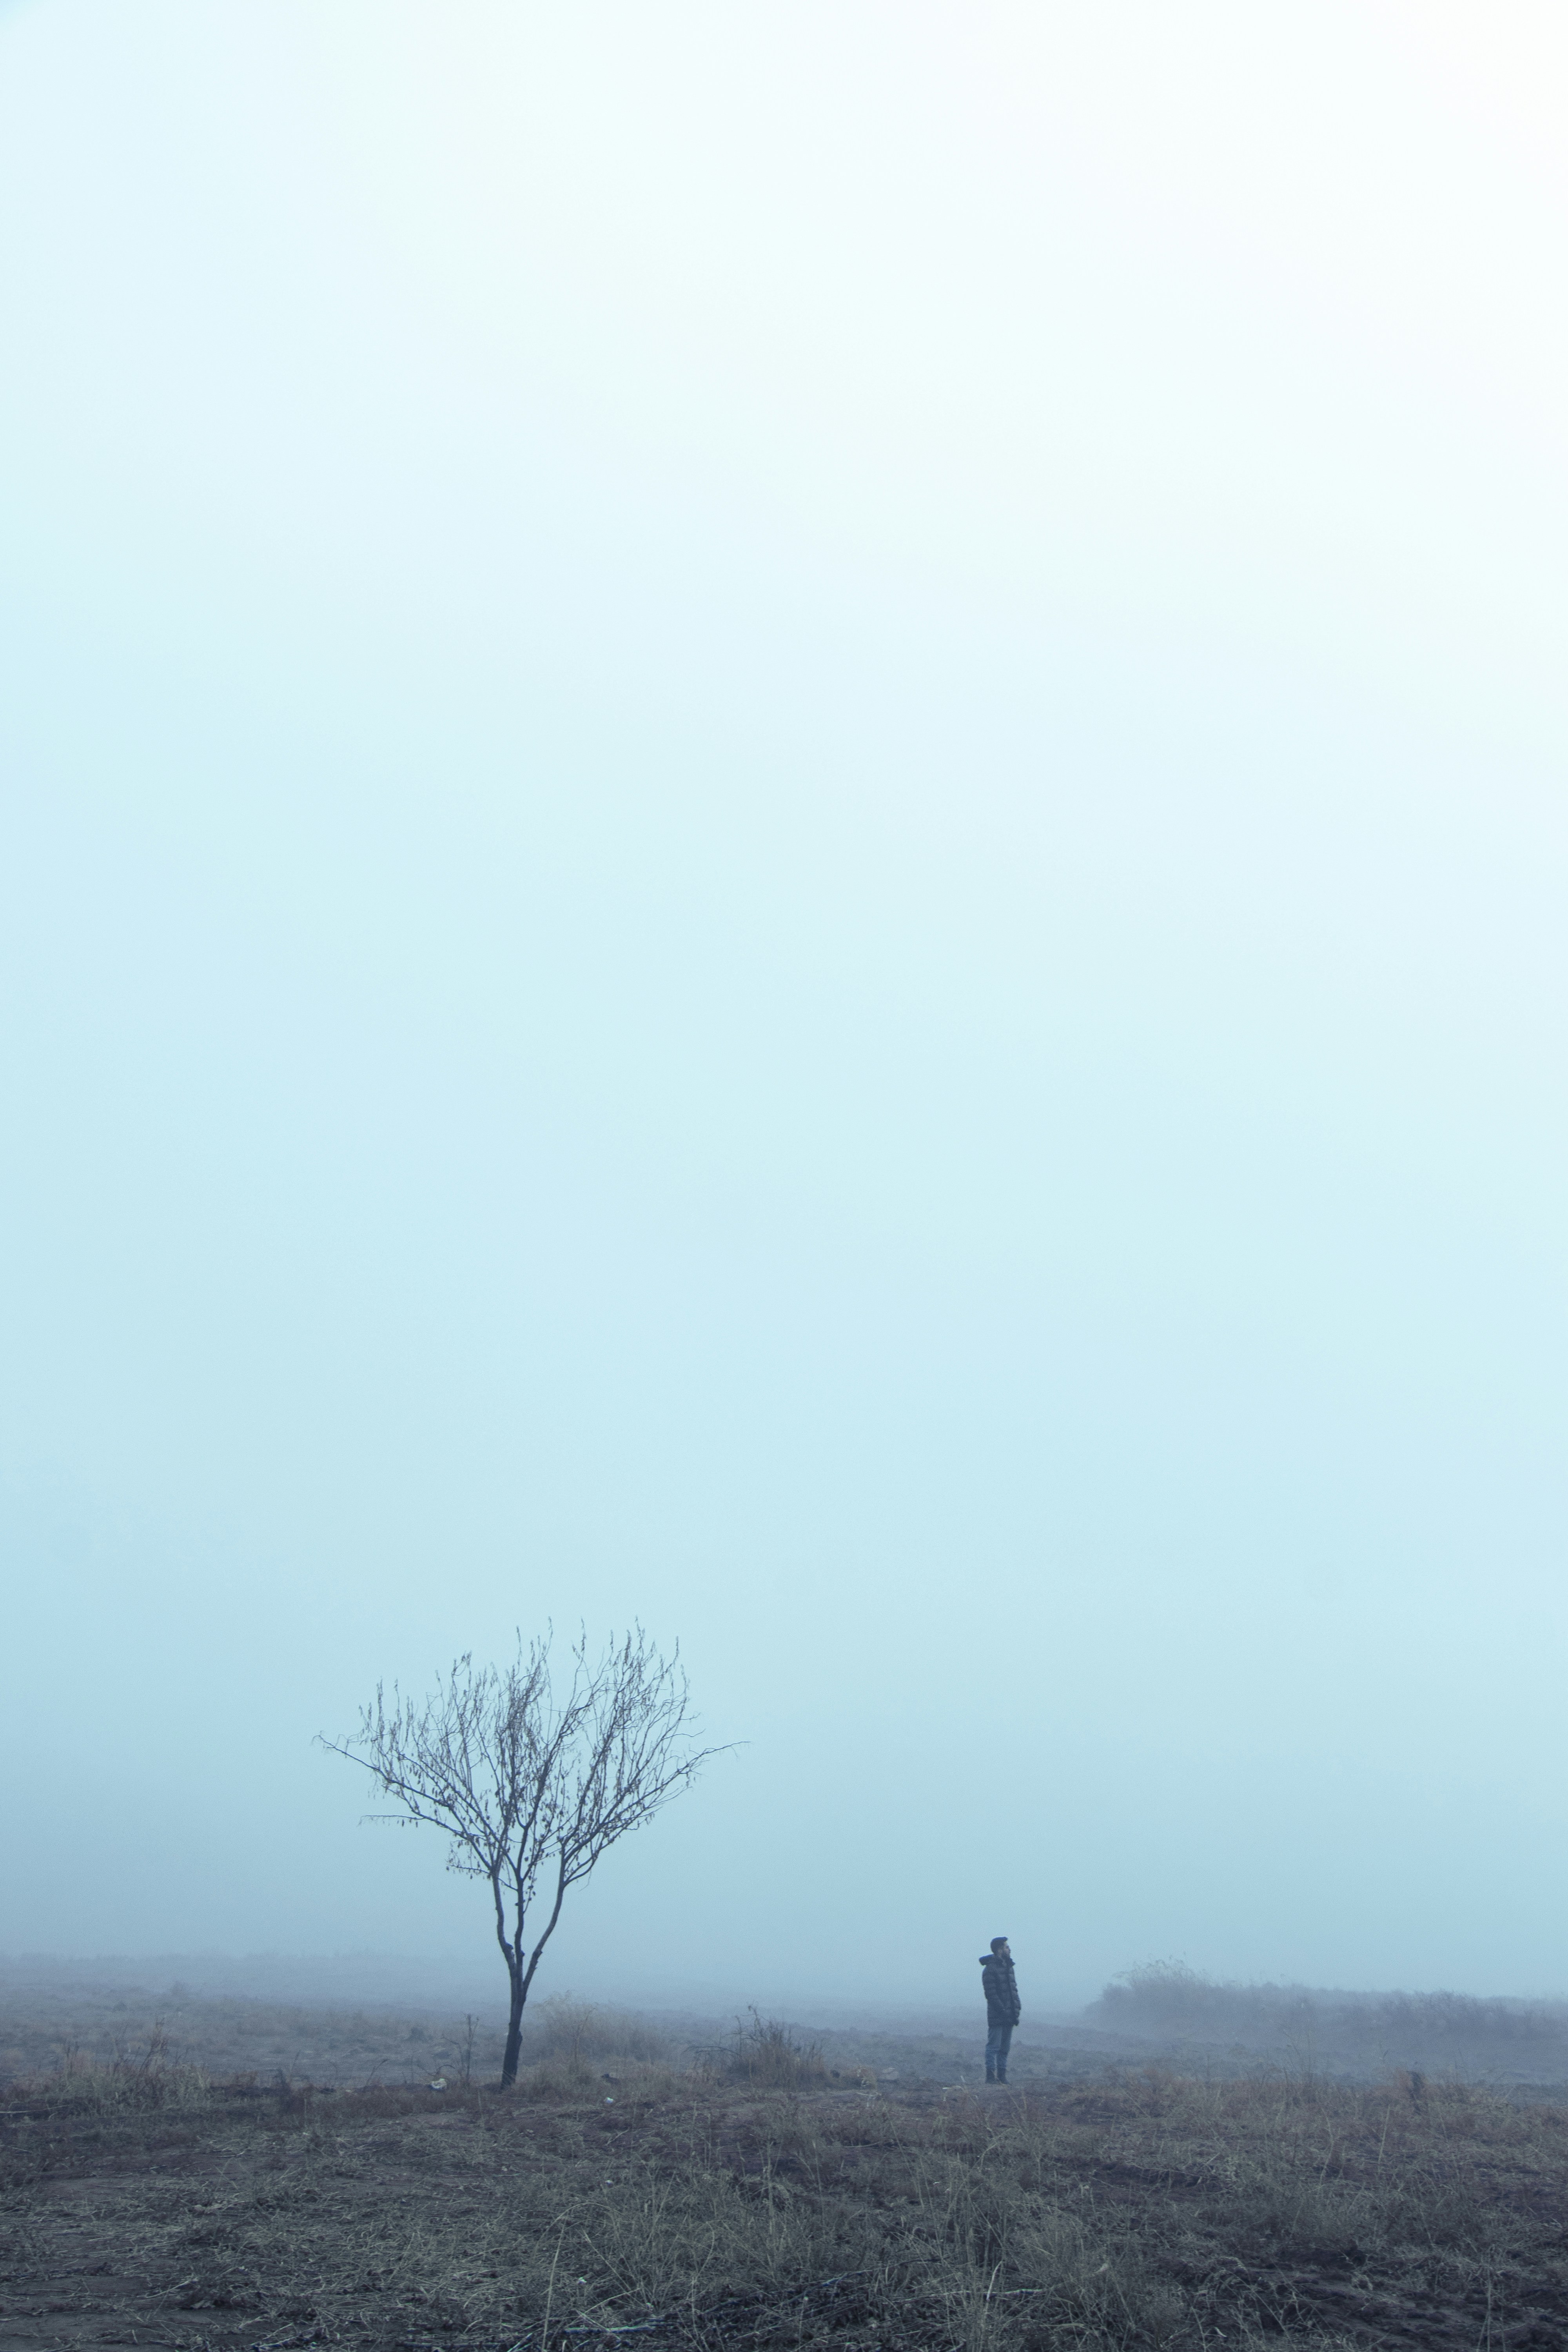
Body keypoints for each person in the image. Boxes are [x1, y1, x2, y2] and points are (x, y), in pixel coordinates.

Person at [980, 1935, 1020, 2083]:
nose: (1010, 1950)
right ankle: (991, 2077)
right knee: (994, 2046)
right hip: (997, 2015)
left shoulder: (1009, 1968)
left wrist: (1017, 2008)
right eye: (1007, 1947)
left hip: (1010, 2014)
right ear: (999, 1950)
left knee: (1005, 2048)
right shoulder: (990, 1970)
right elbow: (991, 1994)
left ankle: (1002, 2077)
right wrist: (1002, 2010)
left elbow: (1014, 1990)